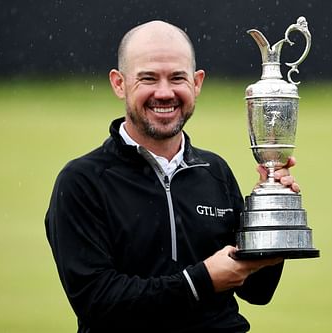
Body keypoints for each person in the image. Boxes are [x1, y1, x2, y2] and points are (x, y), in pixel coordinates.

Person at [45, 20, 300, 332]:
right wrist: (199, 281)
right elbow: (98, 302)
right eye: (148, 78)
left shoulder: (214, 171)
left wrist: (270, 216)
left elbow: (258, 291)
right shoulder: (82, 182)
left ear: (196, 83)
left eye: (177, 78)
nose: (164, 93)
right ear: (119, 83)